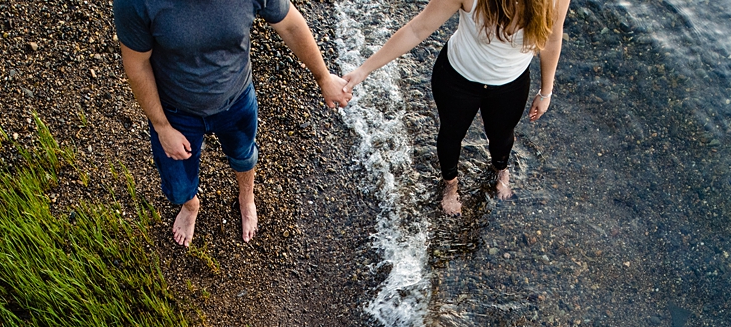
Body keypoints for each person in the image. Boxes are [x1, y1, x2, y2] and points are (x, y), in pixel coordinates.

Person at [114, 0, 350, 245]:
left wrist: (323, 77)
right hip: (175, 111)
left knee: (243, 155)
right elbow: (137, 65)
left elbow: (290, 24)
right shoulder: (136, 4)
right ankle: (190, 205)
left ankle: (246, 197)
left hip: (237, 99)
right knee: (179, 186)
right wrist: (162, 126)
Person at [340, 0, 569, 215]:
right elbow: (417, 29)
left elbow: (552, 38)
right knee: (451, 134)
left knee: (502, 137)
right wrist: (363, 70)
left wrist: (545, 91)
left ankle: (501, 169)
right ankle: (450, 184)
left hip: (510, 85)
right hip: (457, 79)